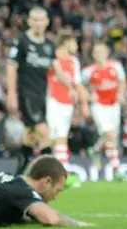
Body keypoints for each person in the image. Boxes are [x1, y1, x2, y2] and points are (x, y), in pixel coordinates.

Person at [6, 7, 55, 174]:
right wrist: (11, 94)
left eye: (41, 20)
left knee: (30, 135)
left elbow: (54, 69)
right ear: (29, 21)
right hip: (26, 94)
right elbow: (11, 66)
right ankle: (55, 174)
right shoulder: (21, 41)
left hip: (42, 95)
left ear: (47, 22)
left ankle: (19, 174)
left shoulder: (49, 45)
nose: (38, 23)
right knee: (43, 132)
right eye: (34, 19)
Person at [45, 31, 89, 185]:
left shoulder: (74, 62)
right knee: (51, 138)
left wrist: (84, 104)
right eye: (74, 42)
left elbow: (78, 84)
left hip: (67, 104)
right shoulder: (51, 58)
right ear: (65, 42)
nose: (76, 46)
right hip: (51, 101)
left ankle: (61, 176)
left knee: (61, 138)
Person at [81, 42, 127, 179]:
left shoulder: (116, 66)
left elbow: (122, 81)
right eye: (96, 51)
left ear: (107, 52)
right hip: (99, 106)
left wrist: (121, 94)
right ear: (93, 55)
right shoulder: (88, 71)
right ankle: (118, 170)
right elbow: (80, 85)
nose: (99, 54)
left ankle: (95, 150)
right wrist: (89, 95)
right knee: (110, 134)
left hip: (114, 105)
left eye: (101, 51)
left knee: (111, 137)